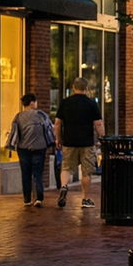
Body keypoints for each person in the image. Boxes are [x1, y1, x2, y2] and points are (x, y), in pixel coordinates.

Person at [54, 77, 105, 208]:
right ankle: (85, 199)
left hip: (69, 141)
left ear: (73, 88)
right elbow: (98, 124)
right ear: (86, 88)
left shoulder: (65, 102)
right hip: (86, 143)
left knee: (66, 167)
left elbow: (58, 123)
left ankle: (64, 186)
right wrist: (103, 138)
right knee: (86, 172)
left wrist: (58, 138)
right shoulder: (91, 103)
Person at [8, 93, 55, 206]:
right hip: (39, 147)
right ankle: (38, 198)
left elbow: (14, 132)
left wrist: (11, 145)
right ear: (32, 103)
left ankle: (27, 199)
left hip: (23, 148)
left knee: (26, 174)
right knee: (38, 173)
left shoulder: (18, 116)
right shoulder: (41, 115)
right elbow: (49, 129)